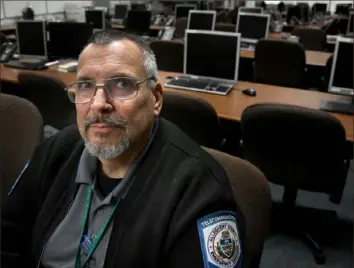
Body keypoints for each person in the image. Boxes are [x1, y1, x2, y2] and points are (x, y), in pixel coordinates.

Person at [1, 30, 245, 268]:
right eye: (85, 84)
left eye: (121, 84)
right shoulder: (57, 150)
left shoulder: (198, 191)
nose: (98, 104)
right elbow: (7, 235)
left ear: (156, 99)